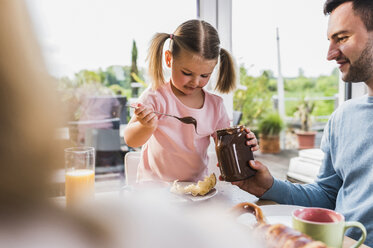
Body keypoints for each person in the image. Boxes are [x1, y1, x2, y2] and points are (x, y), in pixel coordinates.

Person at [231, 0, 373, 246]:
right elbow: (328, 197)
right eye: (330, 40)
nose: (330, 54)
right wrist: (268, 186)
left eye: (342, 38)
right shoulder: (342, 118)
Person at [123, 19, 259, 182]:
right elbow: (131, 139)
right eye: (187, 73)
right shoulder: (155, 97)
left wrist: (245, 142)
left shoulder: (215, 106)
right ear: (169, 59)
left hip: (195, 190)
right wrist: (146, 126)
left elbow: (227, 145)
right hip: (154, 192)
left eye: (204, 76)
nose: (195, 82)